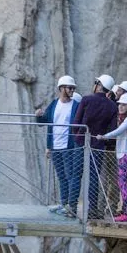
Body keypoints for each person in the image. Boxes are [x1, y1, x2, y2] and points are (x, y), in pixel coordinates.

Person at [73, 74, 118, 219]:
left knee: (76, 175)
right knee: (94, 177)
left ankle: (71, 207)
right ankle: (92, 210)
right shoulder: (112, 106)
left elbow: (76, 122)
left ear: (99, 85)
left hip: (82, 142)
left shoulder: (86, 100)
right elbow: (112, 129)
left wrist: (77, 136)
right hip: (98, 145)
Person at [36, 76, 81, 218]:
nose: (72, 90)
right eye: (69, 88)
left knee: (70, 175)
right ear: (61, 88)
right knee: (61, 176)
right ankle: (64, 203)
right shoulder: (54, 104)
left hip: (69, 147)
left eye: (73, 88)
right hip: (55, 146)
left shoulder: (76, 105)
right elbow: (43, 122)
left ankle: (71, 206)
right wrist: (38, 115)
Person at [95, 93, 127, 221]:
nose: (120, 106)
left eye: (124, 105)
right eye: (120, 104)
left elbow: (119, 131)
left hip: (126, 155)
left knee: (124, 184)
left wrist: (104, 136)